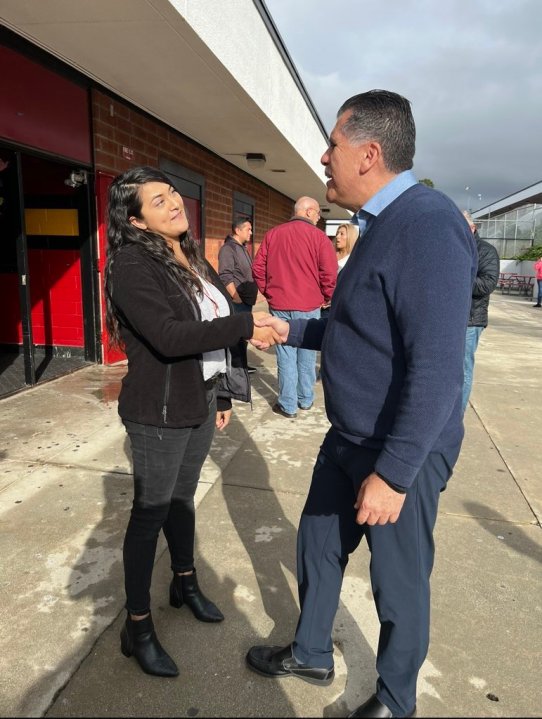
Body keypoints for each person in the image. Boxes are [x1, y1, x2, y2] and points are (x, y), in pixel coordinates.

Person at [246, 91, 477, 718]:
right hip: (348, 436)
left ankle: (397, 701)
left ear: (369, 154)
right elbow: (358, 330)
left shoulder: (427, 225)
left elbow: (436, 369)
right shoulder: (379, 228)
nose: (324, 158)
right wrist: (288, 330)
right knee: (318, 545)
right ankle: (313, 651)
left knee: (397, 586)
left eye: (334, 146)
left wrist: (395, 473)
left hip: (396, 448)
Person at [104, 166, 279, 678]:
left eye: (173, 193)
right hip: (157, 412)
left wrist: (222, 391)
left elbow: (211, 329)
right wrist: (249, 323)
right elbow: (171, 336)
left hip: (198, 401)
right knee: (149, 515)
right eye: (158, 201)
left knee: (182, 500)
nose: (174, 203)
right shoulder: (131, 263)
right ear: (135, 221)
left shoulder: (189, 255)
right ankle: (137, 626)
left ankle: (185, 582)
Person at [252, 196, 337, 418]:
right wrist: (329, 296)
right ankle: (305, 399)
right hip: (308, 304)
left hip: (280, 303)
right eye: (318, 213)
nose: (319, 217)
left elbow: (258, 268)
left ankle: (288, 404)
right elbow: (329, 273)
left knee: (285, 356)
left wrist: (269, 291)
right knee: (306, 355)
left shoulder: (273, 234)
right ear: (308, 212)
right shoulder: (319, 238)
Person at [461, 211, 499, 412]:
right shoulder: (452, 247)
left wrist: (457, 278)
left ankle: (456, 418)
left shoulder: (486, 251)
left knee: (463, 370)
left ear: (472, 228)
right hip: (451, 318)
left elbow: (487, 284)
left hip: (471, 320)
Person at [218, 215, 259, 372]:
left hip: (245, 302)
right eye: (248, 229)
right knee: (236, 335)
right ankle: (235, 368)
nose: (251, 232)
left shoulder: (242, 248)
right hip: (237, 302)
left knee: (243, 335)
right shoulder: (228, 249)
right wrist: (236, 297)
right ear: (237, 230)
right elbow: (225, 275)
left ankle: (242, 365)